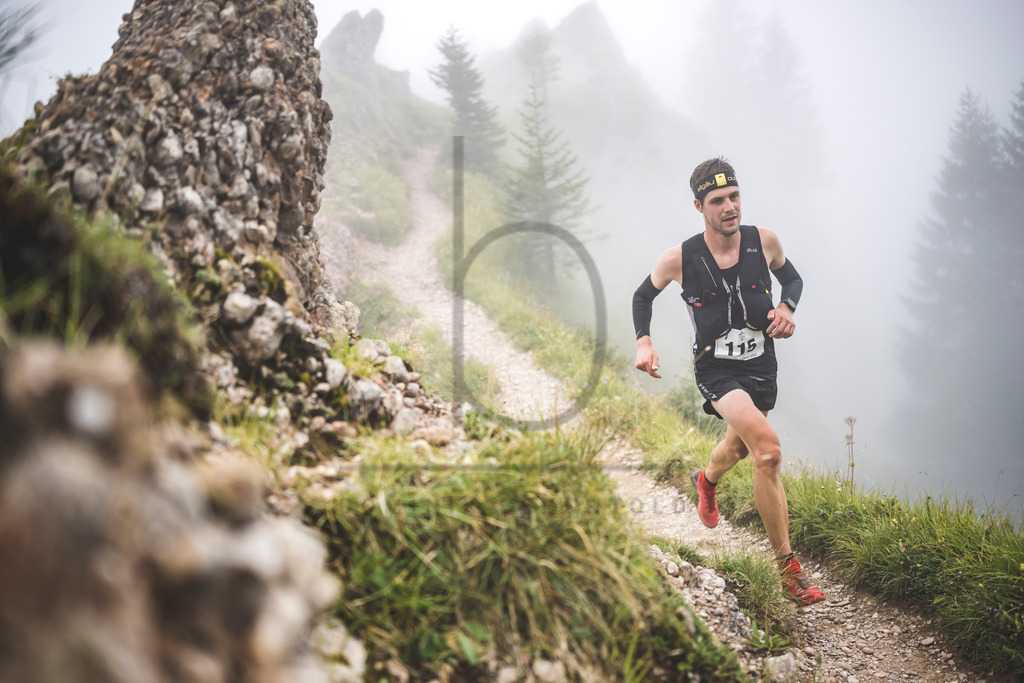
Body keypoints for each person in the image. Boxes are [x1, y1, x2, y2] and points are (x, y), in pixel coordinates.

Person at [631, 157, 825, 606]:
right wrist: (644, 342)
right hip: (715, 368)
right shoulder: (680, 258)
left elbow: (792, 279)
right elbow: (643, 296)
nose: (729, 207)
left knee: (739, 447)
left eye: (734, 197)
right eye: (718, 201)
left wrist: (787, 309)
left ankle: (707, 479)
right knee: (768, 451)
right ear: (699, 206)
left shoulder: (764, 242)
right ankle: (788, 571)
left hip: (761, 364)